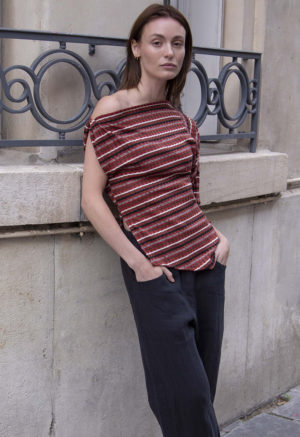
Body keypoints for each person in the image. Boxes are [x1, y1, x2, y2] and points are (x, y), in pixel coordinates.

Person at [82, 3, 230, 436]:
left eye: (178, 43)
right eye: (157, 42)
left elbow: (188, 196)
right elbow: (92, 199)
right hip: (155, 269)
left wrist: (219, 243)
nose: (169, 52)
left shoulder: (184, 123)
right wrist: (139, 264)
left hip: (205, 263)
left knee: (202, 389)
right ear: (136, 48)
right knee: (185, 395)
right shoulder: (112, 110)